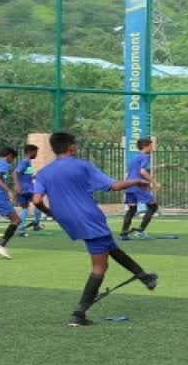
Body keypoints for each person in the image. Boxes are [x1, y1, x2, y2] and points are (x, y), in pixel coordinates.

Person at [31, 132, 158, 326]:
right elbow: (114, 186)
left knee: (109, 246)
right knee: (100, 266)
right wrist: (136, 182)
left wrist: (51, 213)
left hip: (68, 221)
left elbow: (37, 200)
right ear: (71, 147)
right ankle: (79, 313)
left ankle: (144, 276)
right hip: (89, 218)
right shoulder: (82, 165)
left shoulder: (43, 173)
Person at [120, 138, 159, 240]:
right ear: (146, 146)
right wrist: (154, 182)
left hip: (128, 186)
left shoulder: (134, 157)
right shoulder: (145, 156)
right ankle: (140, 230)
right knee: (153, 207)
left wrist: (146, 184)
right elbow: (142, 172)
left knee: (132, 209)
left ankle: (124, 233)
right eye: (151, 146)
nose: (152, 148)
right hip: (137, 187)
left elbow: (131, 173)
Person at [13, 144, 43, 237]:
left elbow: (24, 175)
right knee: (38, 203)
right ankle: (36, 224)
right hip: (26, 188)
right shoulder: (25, 161)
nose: (36, 154)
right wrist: (17, 186)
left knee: (25, 207)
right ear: (30, 152)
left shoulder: (27, 162)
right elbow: (15, 172)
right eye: (35, 152)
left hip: (26, 187)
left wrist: (34, 176)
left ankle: (21, 230)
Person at [0, 147, 20, 259]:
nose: (12, 160)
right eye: (13, 158)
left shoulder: (0, 163)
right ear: (9, 156)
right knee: (16, 220)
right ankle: (0, 245)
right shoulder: (3, 163)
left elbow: (14, 171)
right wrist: (9, 191)